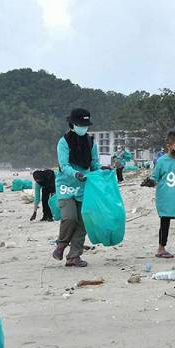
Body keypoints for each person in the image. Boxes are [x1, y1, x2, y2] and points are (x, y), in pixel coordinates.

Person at [53, 108, 109, 267]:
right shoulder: (63, 142)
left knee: (82, 222)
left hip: (84, 187)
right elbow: (63, 165)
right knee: (70, 218)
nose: (83, 128)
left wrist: (101, 171)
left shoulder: (91, 142)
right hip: (65, 187)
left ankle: (74, 257)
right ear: (72, 124)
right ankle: (61, 245)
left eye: (86, 125)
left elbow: (94, 164)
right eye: (80, 124)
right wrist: (75, 174)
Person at [141, 131, 175, 258]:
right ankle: (161, 249)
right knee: (164, 223)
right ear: (169, 146)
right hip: (165, 197)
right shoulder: (161, 161)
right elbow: (154, 177)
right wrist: (149, 182)